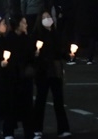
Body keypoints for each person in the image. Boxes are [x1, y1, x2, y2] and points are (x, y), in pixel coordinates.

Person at [32, 11, 71, 139]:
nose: (47, 19)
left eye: (48, 16)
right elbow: (32, 54)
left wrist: (68, 55)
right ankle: (37, 129)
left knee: (59, 100)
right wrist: (36, 54)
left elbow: (60, 51)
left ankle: (63, 129)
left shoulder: (56, 34)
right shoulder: (37, 35)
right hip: (42, 71)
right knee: (40, 100)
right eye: (44, 17)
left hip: (55, 70)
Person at [2, 15, 35, 139]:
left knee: (26, 106)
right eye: (23, 23)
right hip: (13, 77)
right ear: (17, 25)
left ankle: (28, 132)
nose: (26, 25)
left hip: (24, 77)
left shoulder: (27, 39)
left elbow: (31, 56)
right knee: (12, 105)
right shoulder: (9, 39)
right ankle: (9, 132)